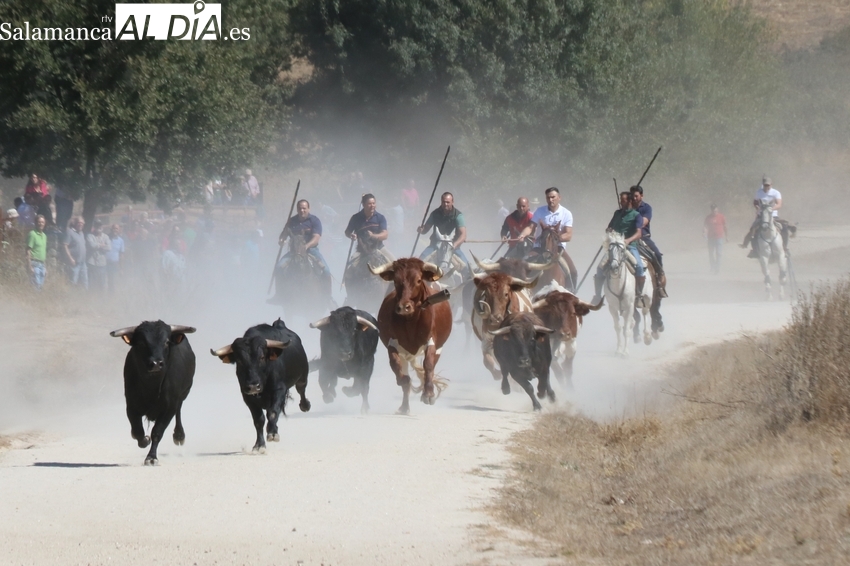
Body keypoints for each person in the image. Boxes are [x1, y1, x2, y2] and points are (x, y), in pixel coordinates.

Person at [591, 195, 644, 304]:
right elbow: (609, 227)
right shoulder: (617, 213)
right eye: (620, 200)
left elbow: (639, 233)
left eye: (623, 200)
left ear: (630, 201)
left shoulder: (636, 215)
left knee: (639, 266)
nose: (621, 202)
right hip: (615, 246)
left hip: (629, 246)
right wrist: (609, 230)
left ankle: (639, 295)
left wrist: (628, 240)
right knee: (600, 267)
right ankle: (597, 296)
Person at [518, 187, 574, 283]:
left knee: (573, 271)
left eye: (553, 197)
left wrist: (554, 239)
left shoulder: (566, 213)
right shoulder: (540, 211)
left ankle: (571, 289)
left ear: (559, 197)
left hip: (557, 249)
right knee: (522, 266)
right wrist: (522, 235)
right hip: (539, 248)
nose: (550, 200)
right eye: (548, 197)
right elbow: (530, 227)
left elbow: (568, 235)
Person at [417, 192, 470, 273]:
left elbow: (463, 235)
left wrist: (454, 245)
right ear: (441, 202)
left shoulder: (458, 216)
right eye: (443, 202)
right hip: (435, 245)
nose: (445, 204)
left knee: (467, 267)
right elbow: (425, 229)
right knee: (419, 263)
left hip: (452, 247)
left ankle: (467, 278)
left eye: (448, 202)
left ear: (452, 202)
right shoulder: (435, 214)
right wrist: (421, 230)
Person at [741, 176, 794, 256]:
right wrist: (757, 207)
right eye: (765, 185)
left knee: (784, 228)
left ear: (771, 185)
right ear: (763, 185)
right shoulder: (759, 192)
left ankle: (784, 248)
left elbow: (779, 204)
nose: (766, 187)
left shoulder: (776, 193)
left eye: (768, 185)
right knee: (753, 229)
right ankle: (753, 249)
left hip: (773, 216)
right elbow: (755, 202)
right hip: (761, 216)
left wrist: (771, 209)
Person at [277, 199, 330, 275]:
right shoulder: (291, 221)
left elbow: (316, 238)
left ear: (308, 209)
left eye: (304, 208)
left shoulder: (314, 220)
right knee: (279, 268)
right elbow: (283, 235)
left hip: (312, 250)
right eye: (300, 208)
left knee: (326, 271)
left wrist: (306, 246)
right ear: (297, 209)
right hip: (294, 251)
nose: (302, 210)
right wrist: (281, 240)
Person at [344, 193, 394, 266]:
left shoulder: (380, 217)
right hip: (361, 251)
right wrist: (351, 235)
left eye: (373, 203)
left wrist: (373, 236)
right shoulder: (355, 218)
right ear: (363, 204)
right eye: (369, 204)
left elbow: (385, 235)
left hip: (379, 248)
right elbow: (347, 232)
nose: (372, 206)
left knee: (395, 265)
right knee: (351, 267)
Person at [86, 219, 111, 291]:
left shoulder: (106, 236)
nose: (98, 227)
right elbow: (92, 245)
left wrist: (97, 245)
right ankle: (92, 296)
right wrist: (102, 245)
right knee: (92, 283)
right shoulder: (89, 236)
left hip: (102, 264)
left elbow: (109, 248)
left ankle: (101, 297)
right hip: (92, 263)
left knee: (102, 284)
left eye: (100, 225)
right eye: (97, 225)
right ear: (94, 226)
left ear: (102, 226)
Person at [63, 217, 88, 288]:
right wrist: (70, 259)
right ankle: (72, 294)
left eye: (82, 223)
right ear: (75, 223)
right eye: (79, 222)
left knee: (85, 282)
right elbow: (65, 245)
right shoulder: (70, 232)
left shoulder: (81, 233)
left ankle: (85, 294)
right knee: (73, 281)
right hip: (75, 262)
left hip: (83, 262)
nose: (81, 224)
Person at [26, 215, 48, 290]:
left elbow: (43, 252)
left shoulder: (44, 236)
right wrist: (29, 266)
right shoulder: (32, 234)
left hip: (42, 264)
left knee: (41, 286)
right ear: (35, 223)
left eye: (42, 222)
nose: (41, 224)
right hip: (34, 263)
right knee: (36, 286)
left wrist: (45, 267)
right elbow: (28, 250)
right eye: (39, 222)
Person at [704, 204, 727, 274]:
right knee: (711, 253)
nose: (715, 212)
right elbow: (705, 226)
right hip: (710, 238)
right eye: (713, 211)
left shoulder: (721, 217)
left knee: (718, 253)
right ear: (711, 210)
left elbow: (725, 226)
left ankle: (717, 268)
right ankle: (712, 266)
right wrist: (704, 232)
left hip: (719, 238)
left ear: (717, 209)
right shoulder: (708, 218)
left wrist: (727, 236)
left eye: (716, 210)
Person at [106, 223, 125, 294]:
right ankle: (105, 295)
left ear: (119, 230)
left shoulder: (121, 241)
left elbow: (121, 255)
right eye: (114, 228)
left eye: (117, 228)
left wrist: (121, 268)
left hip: (115, 264)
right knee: (106, 281)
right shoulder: (106, 238)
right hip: (105, 263)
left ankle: (113, 296)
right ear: (111, 229)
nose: (115, 230)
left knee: (114, 281)